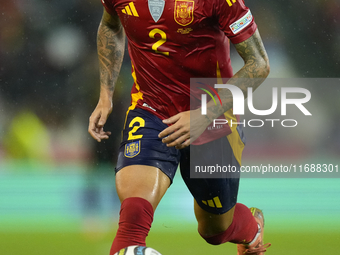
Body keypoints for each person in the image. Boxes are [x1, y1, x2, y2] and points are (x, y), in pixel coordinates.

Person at [88, 0, 271, 254]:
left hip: (213, 117)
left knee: (215, 231)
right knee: (132, 220)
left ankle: (250, 228)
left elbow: (259, 64)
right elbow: (110, 25)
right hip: (151, 111)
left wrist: (203, 115)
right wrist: (106, 95)